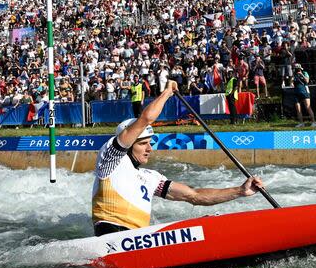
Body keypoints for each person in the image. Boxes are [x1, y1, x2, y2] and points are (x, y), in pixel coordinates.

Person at [91, 80, 265, 236]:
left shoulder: (151, 178)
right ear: (128, 144)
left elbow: (194, 196)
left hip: (138, 240)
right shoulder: (110, 160)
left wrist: (240, 191)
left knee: (208, 220)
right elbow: (145, 119)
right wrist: (167, 92)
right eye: (143, 144)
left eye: (150, 143)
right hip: (111, 239)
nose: (149, 149)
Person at [292, 63, 316, 128]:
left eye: (298, 69)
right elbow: (291, 82)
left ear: (300, 68)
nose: (297, 70)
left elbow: (307, 81)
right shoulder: (294, 75)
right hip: (296, 92)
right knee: (298, 108)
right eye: (296, 69)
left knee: (308, 107)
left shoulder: (305, 73)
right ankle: (301, 123)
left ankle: (313, 122)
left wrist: (301, 74)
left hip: (304, 91)